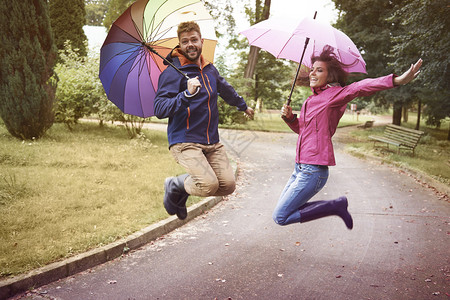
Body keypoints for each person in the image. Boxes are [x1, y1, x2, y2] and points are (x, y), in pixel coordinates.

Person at [272, 46, 422, 229]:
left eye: (319, 70)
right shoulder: (309, 102)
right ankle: (335, 206)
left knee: (280, 216)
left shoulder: (334, 96)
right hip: (300, 167)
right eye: (312, 69)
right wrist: (290, 119)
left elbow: (359, 87)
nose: (313, 73)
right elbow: (303, 131)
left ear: (330, 76)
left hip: (313, 171)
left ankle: (334, 207)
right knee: (283, 212)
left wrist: (396, 80)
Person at [154, 21, 254, 220]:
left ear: (201, 41)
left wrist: (243, 106)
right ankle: (175, 185)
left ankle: (180, 193)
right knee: (208, 185)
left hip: (211, 142)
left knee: (228, 185)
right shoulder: (173, 71)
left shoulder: (209, 69)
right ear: (180, 45)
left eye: (194, 39)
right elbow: (159, 108)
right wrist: (186, 94)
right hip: (185, 141)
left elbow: (226, 89)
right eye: (185, 41)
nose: (190, 44)